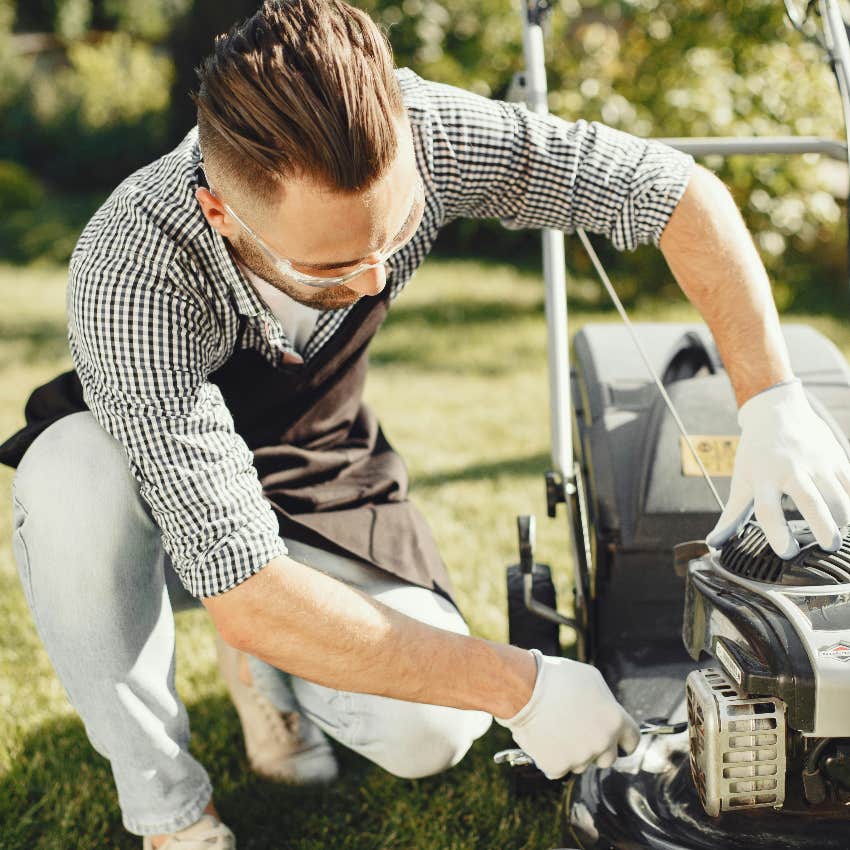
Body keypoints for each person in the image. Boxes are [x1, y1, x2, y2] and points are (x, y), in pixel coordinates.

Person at [3, 1, 850, 847]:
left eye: (397, 229)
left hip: (318, 461)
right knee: (70, 476)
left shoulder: (431, 130)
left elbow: (675, 192)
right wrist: (526, 686)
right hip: (138, 484)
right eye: (335, 265)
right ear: (224, 217)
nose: (376, 281)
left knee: (433, 734)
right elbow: (248, 591)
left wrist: (771, 398)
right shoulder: (131, 266)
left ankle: (268, 670)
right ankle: (171, 812)